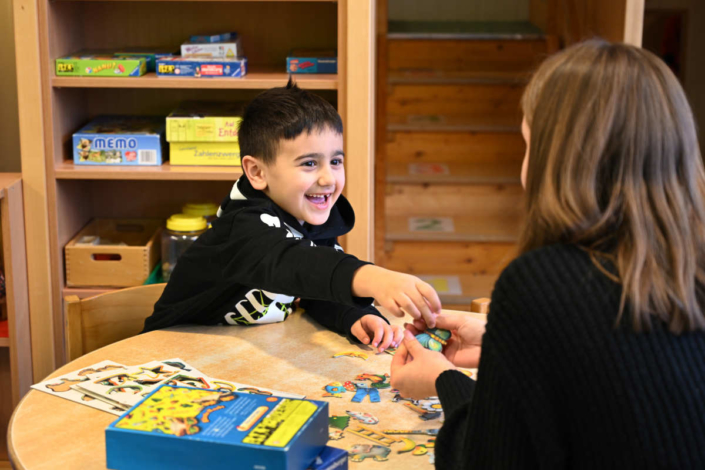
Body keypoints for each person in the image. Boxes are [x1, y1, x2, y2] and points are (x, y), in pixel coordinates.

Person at [390, 39, 705, 469]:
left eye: (527, 144)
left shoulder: (543, 282)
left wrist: (445, 381)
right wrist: (504, 339)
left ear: (559, 162)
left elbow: (485, 459)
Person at [143, 81, 442, 353]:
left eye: (336, 161)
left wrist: (355, 315)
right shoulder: (243, 226)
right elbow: (293, 264)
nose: (328, 179)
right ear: (258, 172)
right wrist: (370, 277)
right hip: (173, 352)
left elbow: (312, 287)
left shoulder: (306, 212)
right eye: (310, 163)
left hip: (244, 355)